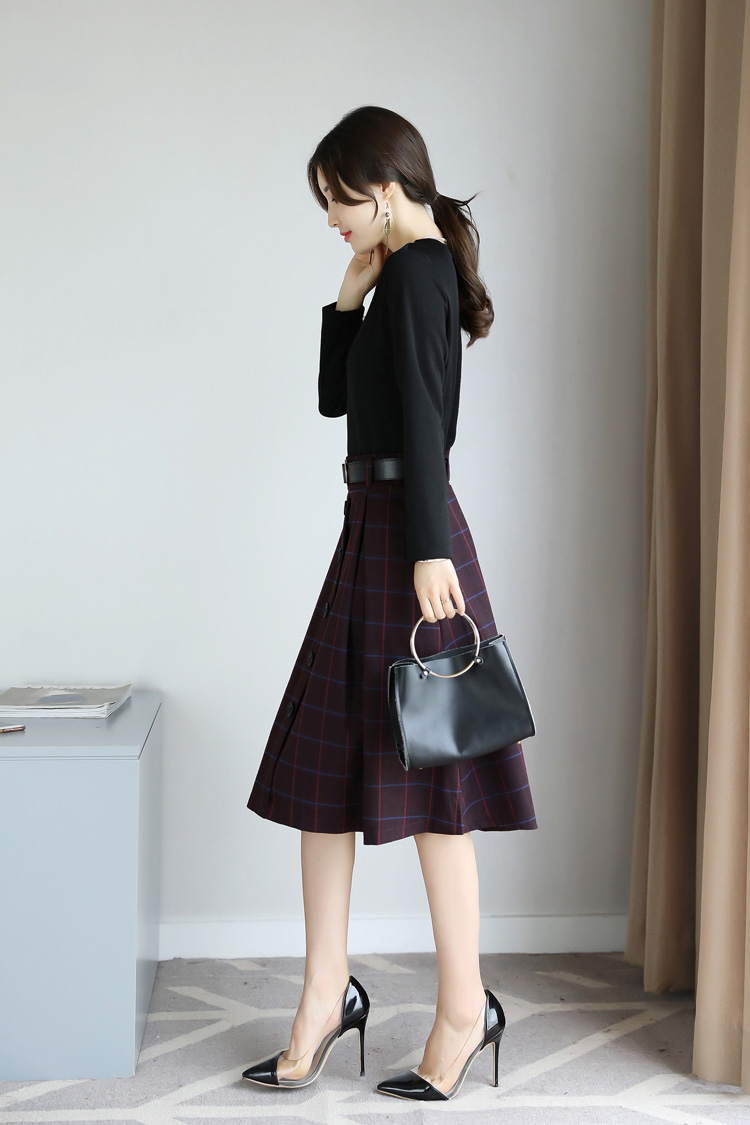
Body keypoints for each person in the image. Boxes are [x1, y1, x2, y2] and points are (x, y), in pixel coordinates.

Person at [243, 105, 538, 1103]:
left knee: (436, 781)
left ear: (381, 185)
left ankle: (464, 1009)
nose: (330, 217)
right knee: (323, 776)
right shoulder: (396, 273)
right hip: (372, 527)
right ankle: (326, 994)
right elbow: (341, 402)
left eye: (336, 200)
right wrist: (343, 301)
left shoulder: (421, 271)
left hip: (408, 536)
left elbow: (424, 421)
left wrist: (428, 551)